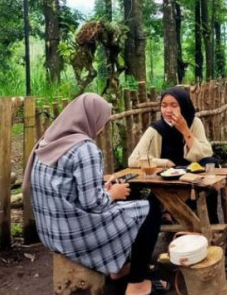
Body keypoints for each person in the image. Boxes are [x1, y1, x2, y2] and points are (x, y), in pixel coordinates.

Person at [24, 94, 168, 295]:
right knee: (150, 208)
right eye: (102, 121)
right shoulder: (84, 149)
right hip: (73, 233)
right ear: (89, 119)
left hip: (50, 231)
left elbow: (67, 190)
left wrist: (104, 191)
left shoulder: (48, 142)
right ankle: (137, 284)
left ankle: (117, 269)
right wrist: (113, 194)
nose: (102, 128)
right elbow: (95, 204)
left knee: (130, 200)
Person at [128, 87, 218, 222]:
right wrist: (164, 162)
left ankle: (211, 223)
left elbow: (205, 153)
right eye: (164, 106)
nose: (168, 110)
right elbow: (133, 160)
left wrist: (185, 130)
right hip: (167, 184)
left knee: (212, 163)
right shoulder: (156, 129)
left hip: (192, 182)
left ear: (183, 105)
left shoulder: (194, 123)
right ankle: (168, 211)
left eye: (174, 105)